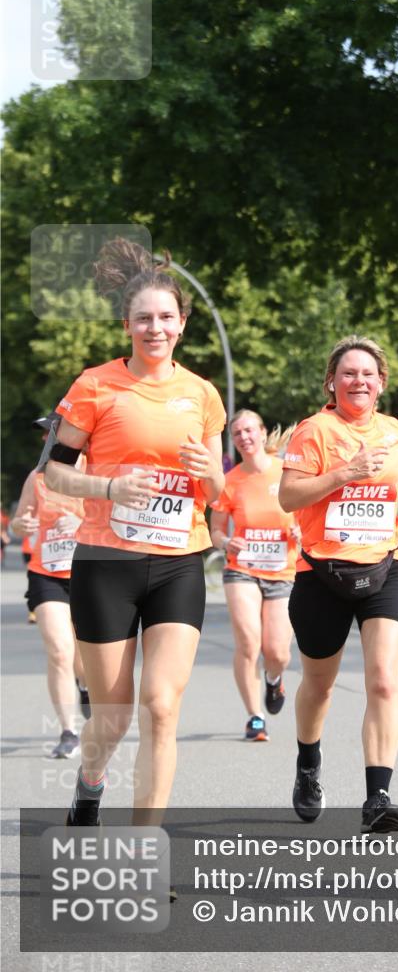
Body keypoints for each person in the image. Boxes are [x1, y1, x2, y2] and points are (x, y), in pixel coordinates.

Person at [43, 237, 226, 826]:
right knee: (115, 715)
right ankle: (91, 783)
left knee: (162, 707)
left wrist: (211, 477)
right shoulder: (95, 385)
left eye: (166, 318)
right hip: (106, 563)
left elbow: (219, 494)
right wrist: (109, 489)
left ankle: (145, 845)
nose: (155, 328)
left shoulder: (202, 395)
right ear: (128, 325)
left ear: (182, 325)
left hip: (178, 562)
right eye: (143, 318)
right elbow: (53, 473)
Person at [279, 335, 398, 834]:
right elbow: (288, 497)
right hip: (323, 573)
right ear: (332, 382)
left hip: (387, 566)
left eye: (367, 374)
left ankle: (378, 795)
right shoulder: (313, 431)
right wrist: (344, 473)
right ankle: (308, 762)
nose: (358, 381)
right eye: (348, 374)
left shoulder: (393, 431)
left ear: (381, 383)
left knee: (384, 679)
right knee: (319, 686)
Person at [210, 411, 298, 741]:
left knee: (278, 652)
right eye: (236, 433)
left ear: (262, 433)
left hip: (282, 571)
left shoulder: (286, 472)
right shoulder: (229, 481)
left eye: (249, 430)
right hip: (242, 568)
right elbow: (215, 530)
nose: (244, 436)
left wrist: (300, 531)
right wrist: (225, 541)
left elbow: (304, 512)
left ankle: (274, 680)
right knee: (248, 642)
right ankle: (254, 716)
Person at [10, 412, 90, 758]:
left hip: (90, 572)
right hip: (47, 574)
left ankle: (85, 683)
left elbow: (117, 516)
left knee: (83, 656)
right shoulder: (37, 477)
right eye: (45, 436)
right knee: (59, 649)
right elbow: (18, 522)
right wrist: (21, 526)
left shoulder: (94, 469)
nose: (48, 441)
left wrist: (81, 519)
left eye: (54, 434)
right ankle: (68, 731)